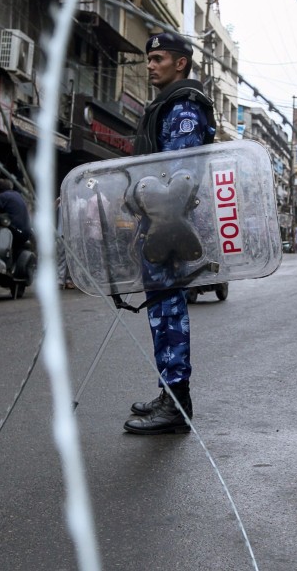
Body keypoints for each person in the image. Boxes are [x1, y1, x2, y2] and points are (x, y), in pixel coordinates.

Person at [124, 30, 216, 435]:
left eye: (158, 58)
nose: (150, 64)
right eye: (149, 58)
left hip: (169, 229)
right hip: (159, 226)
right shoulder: (166, 106)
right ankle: (169, 394)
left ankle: (177, 405)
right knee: (162, 314)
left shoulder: (183, 110)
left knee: (169, 313)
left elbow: (178, 180)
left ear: (181, 63)